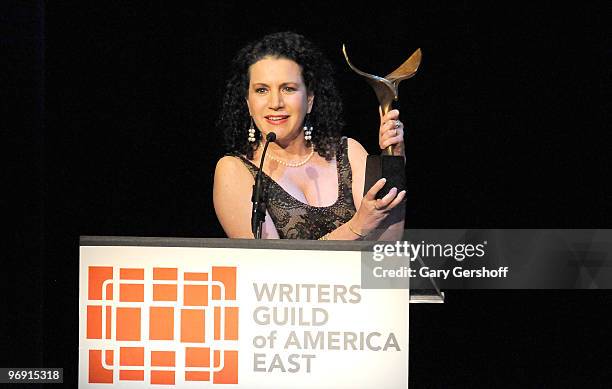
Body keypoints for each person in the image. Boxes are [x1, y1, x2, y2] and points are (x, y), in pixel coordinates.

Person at [213, 31, 406, 240]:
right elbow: (270, 265)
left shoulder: (348, 152)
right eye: (261, 90)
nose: (275, 103)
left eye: (288, 88)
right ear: (248, 103)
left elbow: (388, 242)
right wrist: (358, 226)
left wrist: (394, 161)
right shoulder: (233, 170)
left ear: (310, 99)